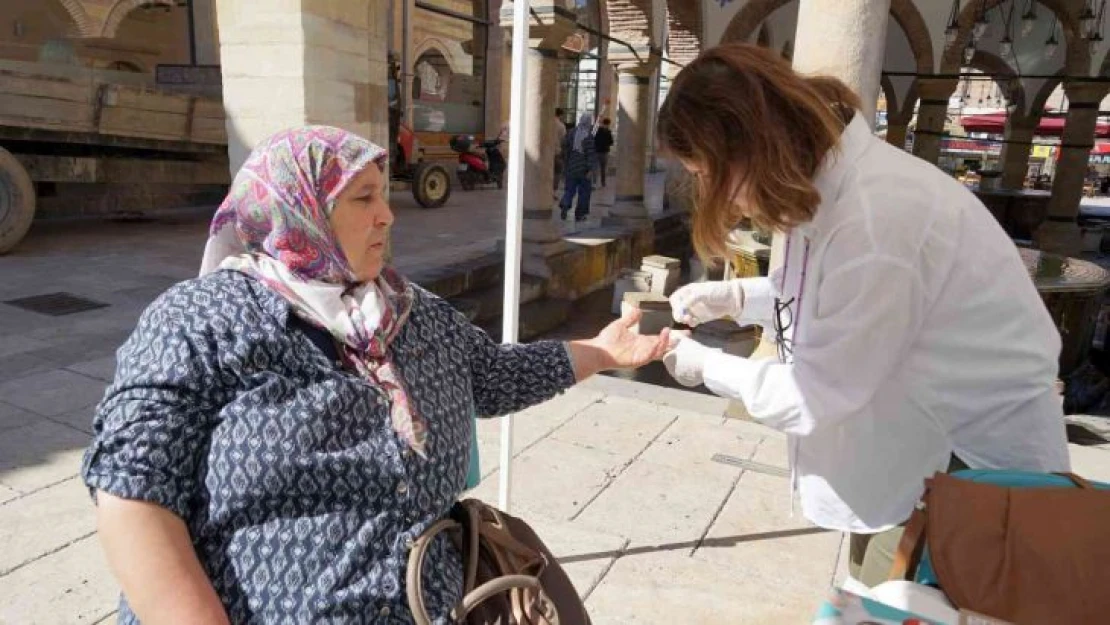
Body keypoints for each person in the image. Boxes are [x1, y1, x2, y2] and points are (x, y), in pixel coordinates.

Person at [82, 126, 671, 624]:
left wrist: (598, 351)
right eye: (362, 198)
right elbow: (132, 494)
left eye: (383, 194)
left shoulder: (413, 311)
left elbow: (490, 376)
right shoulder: (199, 320)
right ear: (299, 209)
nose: (388, 214)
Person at [656, 44, 1069, 587]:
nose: (723, 200)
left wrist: (704, 365)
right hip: (907, 449)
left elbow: (814, 393)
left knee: (891, 599)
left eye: (708, 174)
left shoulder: (877, 217)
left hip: (965, 468)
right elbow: (830, 296)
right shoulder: (837, 188)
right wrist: (739, 299)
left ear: (747, 149)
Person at [560, 113, 598, 222]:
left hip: (571, 166)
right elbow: (590, 154)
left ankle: (565, 204)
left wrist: (567, 161)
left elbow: (564, 146)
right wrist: (591, 169)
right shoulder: (588, 136)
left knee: (570, 189)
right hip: (583, 168)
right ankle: (580, 214)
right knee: (584, 192)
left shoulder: (571, 132)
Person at [594, 118, 614, 188]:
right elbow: (611, 142)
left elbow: (593, 139)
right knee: (603, 168)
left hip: (596, 151)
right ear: (608, 124)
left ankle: (594, 182)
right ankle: (603, 183)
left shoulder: (597, 130)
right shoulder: (608, 132)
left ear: (603, 123)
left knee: (595, 168)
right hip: (604, 152)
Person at [553, 107, 568, 191]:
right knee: (557, 171)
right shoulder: (561, 126)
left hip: (546, 152)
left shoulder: (547, 123)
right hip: (556, 151)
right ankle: (553, 191)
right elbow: (563, 140)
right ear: (561, 115)